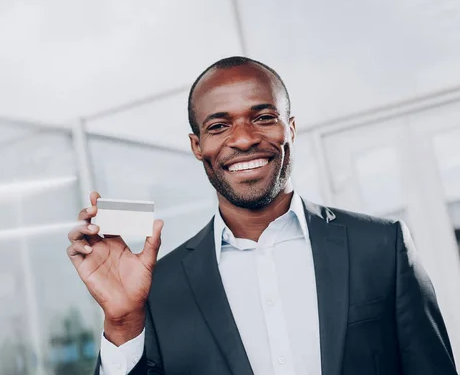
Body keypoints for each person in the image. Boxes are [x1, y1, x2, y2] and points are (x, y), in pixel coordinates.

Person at [66, 56, 457, 375]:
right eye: (219, 126)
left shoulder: (381, 246)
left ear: (291, 127)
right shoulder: (156, 288)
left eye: (263, 117)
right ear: (197, 145)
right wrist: (122, 322)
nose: (243, 138)